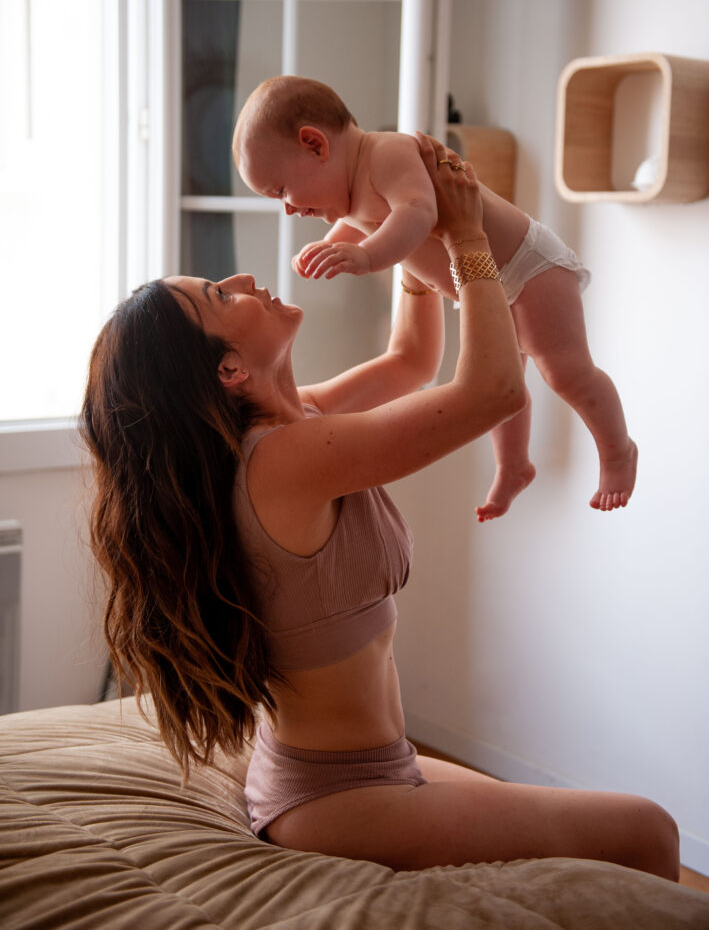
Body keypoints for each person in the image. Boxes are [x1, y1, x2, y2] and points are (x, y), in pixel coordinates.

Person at [80, 136, 678, 879]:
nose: (240, 275)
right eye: (219, 295)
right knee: (646, 831)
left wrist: (416, 235)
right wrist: (465, 240)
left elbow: (409, 363)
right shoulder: (281, 462)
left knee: (609, 828)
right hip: (336, 794)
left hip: (380, 763)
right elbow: (491, 390)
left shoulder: (295, 422)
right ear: (230, 370)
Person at [232, 75, 638, 519]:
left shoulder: (387, 154)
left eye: (280, 191)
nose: (288, 208)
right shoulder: (352, 197)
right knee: (504, 382)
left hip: (528, 267)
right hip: (485, 286)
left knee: (564, 371)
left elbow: (418, 213)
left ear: (315, 144)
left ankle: (617, 450)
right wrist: (331, 245)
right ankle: (513, 465)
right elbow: (366, 221)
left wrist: (366, 257)